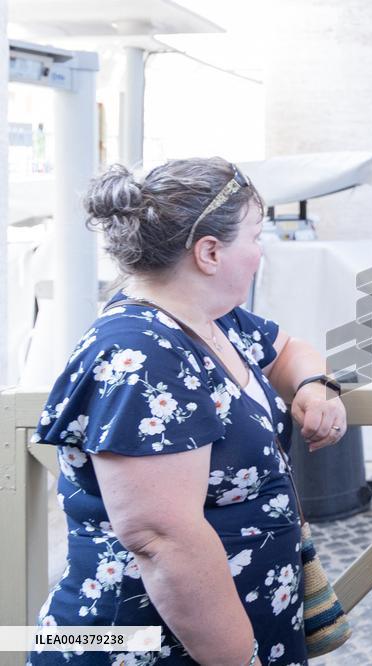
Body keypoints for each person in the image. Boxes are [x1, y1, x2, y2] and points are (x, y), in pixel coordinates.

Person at [31, 159, 347, 664]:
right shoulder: (141, 353)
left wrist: (314, 386)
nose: (260, 252)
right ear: (209, 251)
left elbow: (289, 350)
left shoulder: (212, 320)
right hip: (145, 644)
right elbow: (161, 538)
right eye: (256, 236)